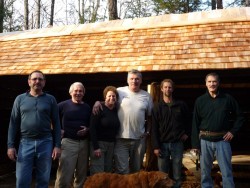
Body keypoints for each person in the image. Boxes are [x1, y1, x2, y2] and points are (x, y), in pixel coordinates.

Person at [7, 70, 61, 188]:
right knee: (22, 179)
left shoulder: (51, 99)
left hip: (46, 142)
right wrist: (10, 146)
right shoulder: (20, 99)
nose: (37, 81)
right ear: (29, 82)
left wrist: (57, 145)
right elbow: (13, 123)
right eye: (35, 79)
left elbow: (57, 124)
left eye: (40, 79)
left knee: (43, 180)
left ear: (44, 82)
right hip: (25, 143)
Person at [93, 69, 153, 174]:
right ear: (127, 80)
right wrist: (98, 102)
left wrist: (147, 132)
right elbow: (110, 100)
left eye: (137, 79)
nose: (134, 81)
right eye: (132, 79)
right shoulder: (120, 91)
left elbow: (150, 117)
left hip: (139, 139)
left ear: (141, 81)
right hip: (121, 138)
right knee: (122, 170)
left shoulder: (147, 96)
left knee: (136, 170)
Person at [192, 72, 245, 188]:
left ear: (218, 83)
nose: (212, 84)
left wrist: (233, 131)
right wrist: (195, 144)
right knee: (205, 172)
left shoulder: (227, 98)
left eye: (214, 81)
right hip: (205, 140)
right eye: (209, 81)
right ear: (205, 84)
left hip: (223, 140)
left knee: (226, 171)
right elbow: (195, 123)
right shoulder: (200, 101)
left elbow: (240, 116)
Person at [151, 79, 191, 188]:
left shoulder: (180, 105)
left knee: (177, 172)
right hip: (162, 144)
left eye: (169, 87)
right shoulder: (157, 107)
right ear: (161, 89)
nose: (167, 89)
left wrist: (186, 133)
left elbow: (189, 121)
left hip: (177, 143)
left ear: (172, 89)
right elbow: (154, 128)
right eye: (165, 87)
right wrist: (155, 146)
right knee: (163, 174)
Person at [55, 82, 91, 188]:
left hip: (84, 144)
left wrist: (87, 129)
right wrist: (58, 130)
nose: (78, 93)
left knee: (81, 175)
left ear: (83, 93)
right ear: (71, 92)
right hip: (68, 143)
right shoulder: (62, 105)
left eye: (80, 91)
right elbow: (50, 118)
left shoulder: (87, 107)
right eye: (76, 91)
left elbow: (91, 124)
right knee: (64, 175)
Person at [89, 86, 120, 175]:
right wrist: (96, 147)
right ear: (105, 97)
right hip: (99, 144)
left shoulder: (116, 110)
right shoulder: (99, 108)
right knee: (97, 172)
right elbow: (92, 128)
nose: (111, 98)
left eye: (113, 96)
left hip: (111, 144)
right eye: (109, 96)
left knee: (108, 171)